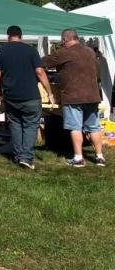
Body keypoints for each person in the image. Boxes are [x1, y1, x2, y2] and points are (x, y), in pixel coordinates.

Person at [0, 25, 55, 170]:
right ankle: (26, 157)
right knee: (30, 125)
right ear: (21, 36)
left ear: (8, 36)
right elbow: (40, 72)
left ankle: (18, 155)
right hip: (30, 95)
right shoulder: (31, 50)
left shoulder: (0, 52)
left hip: (11, 96)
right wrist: (50, 93)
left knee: (15, 125)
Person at [43, 29, 106, 167]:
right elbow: (98, 74)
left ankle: (78, 158)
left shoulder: (64, 52)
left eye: (62, 41)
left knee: (75, 127)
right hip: (92, 95)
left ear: (65, 39)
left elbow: (43, 62)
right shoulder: (90, 51)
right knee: (94, 127)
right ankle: (100, 157)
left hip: (73, 96)